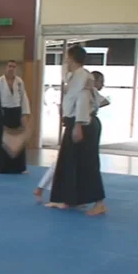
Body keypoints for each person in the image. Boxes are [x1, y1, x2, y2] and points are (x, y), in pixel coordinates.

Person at [46, 46, 107, 216]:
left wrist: (79, 124)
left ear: (72, 58)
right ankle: (69, 199)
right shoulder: (75, 76)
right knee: (69, 162)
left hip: (83, 123)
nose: (65, 60)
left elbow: (83, 100)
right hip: (76, 122)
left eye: (67, 58)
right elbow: (66, 77)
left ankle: (99, 203)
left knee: (88, 163)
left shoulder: (83, 76)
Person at [34, 70, 109, 204]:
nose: (102, 84)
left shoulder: (90, 92)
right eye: (100, 81)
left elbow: (104, 102)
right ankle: (44, 190)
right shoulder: (80, 90)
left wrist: (92, 106)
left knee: (75, 163)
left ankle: (70, 197)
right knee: (65, 162)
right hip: (78, 125)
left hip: (85, 125)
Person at [0, 60, 31, 174]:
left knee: (18, 139)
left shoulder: (19, 82)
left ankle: (20, 167)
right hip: (3, 112)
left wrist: (25, 114)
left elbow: (24, 98)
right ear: (6, 67)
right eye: (9, 66)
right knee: (2, 139)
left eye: (13, 66)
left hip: (16, 112)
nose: (11, 68)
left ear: (16, 68)